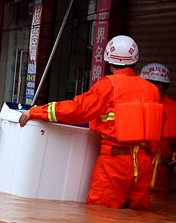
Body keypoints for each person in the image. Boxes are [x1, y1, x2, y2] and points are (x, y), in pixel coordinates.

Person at [18, 35, 164, 210]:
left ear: (108, 60)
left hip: (114, 164)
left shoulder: (109, 85)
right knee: (137, 221)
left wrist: (38, 111)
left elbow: (78, 110)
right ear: (135, 59)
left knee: (100, 216)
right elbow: (158, 127)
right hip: (144, 165)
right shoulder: (152, 90)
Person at [139, 63, 176, 187]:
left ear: (159, 86)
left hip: (160, 174)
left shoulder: (173, 109)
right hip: (135, 168)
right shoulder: (136, 105)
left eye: (145, 83)